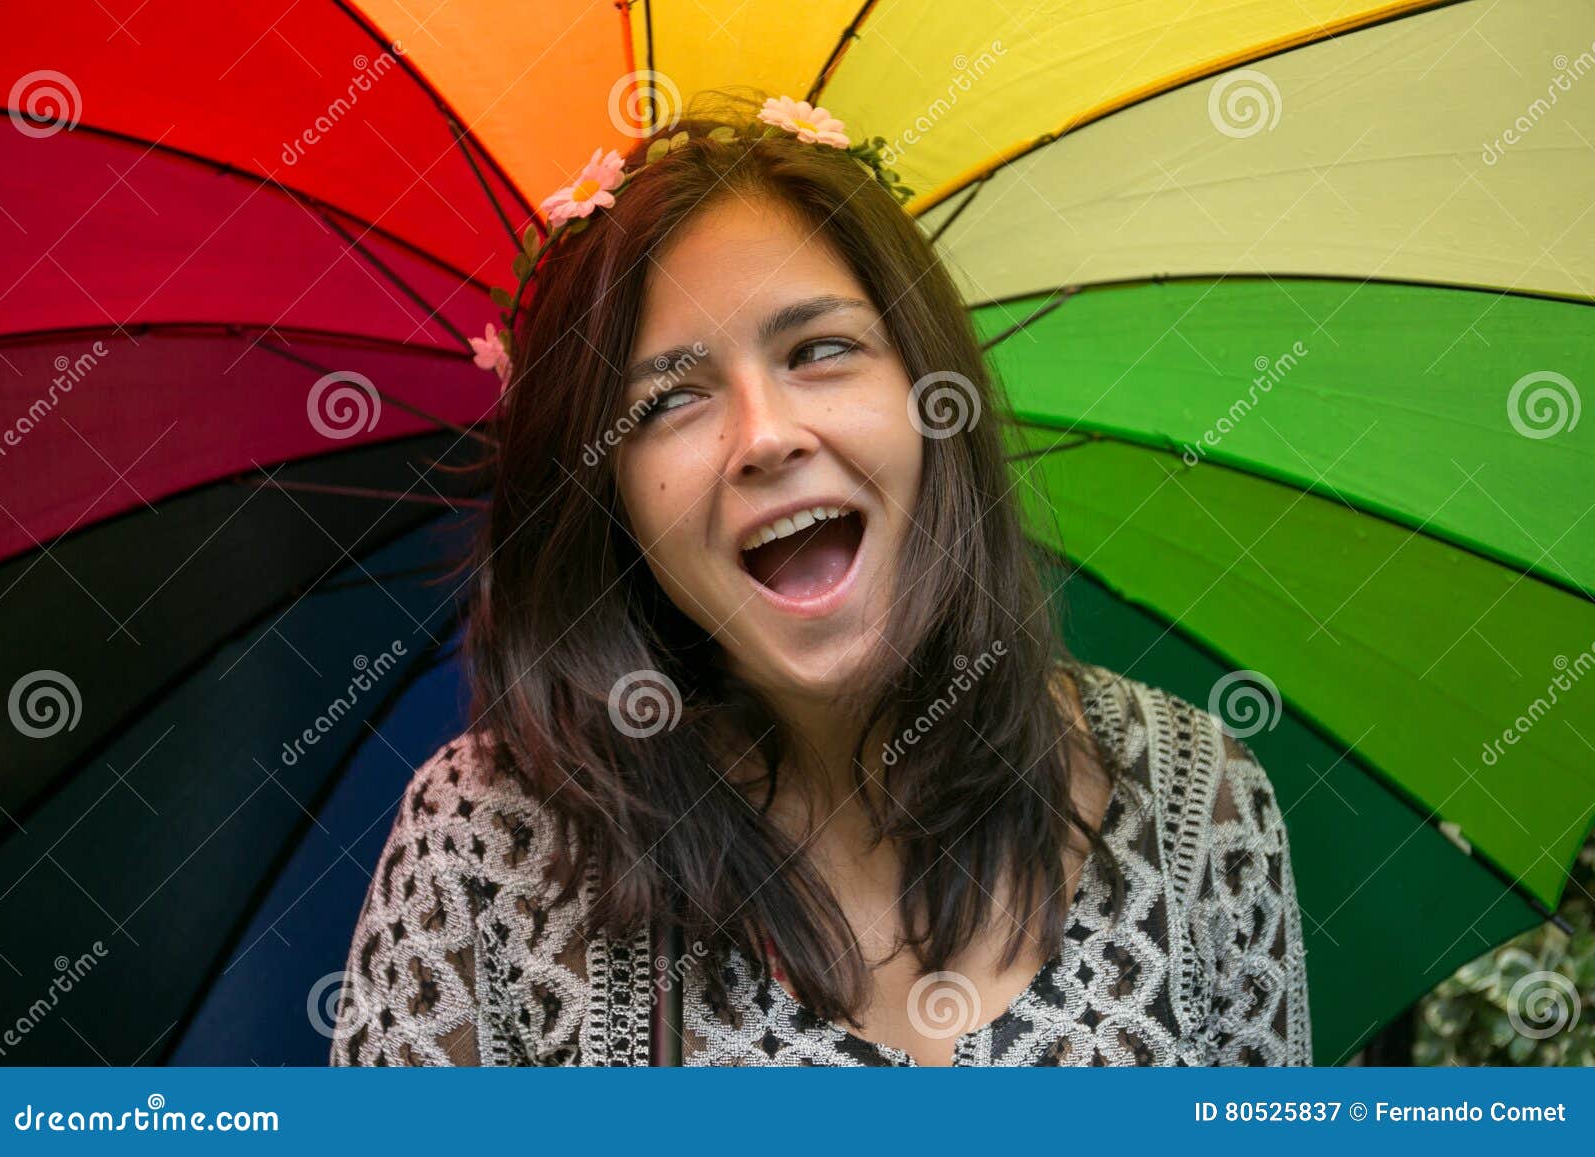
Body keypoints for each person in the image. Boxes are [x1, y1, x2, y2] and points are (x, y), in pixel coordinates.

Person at [328, 93, 1312, 1068]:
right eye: (667, 399)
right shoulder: (482, 852)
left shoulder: (1195, 796)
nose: (765, 435)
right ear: (609, 494)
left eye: (819, 349)